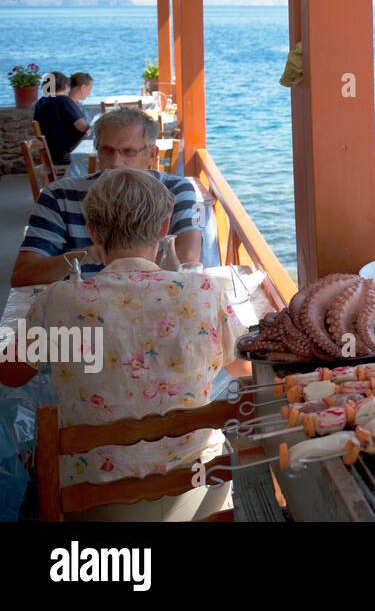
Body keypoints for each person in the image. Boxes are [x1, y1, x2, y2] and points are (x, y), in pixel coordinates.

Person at [27, 168, 248, 520]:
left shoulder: (57, 303)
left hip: (94, 499)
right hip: (196, 488)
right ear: (164, 229)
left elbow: (13, 374)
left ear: (92, 232)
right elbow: (242, 367)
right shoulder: (203, 293)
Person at [11, 108, 203, 287]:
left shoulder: (176, 190)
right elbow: (23, 275)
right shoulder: (59, 196)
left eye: (128, 152)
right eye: (106, 150)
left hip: (155, 303)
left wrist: (120, 258)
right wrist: (83, 256)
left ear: (152, 154)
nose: (115, 162)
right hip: (84, 313)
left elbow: (188, 258)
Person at [33, 72, 90, 164]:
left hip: (51, 153)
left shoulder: (40, 103)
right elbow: (83, 127)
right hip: (67, 153)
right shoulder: (63, 101)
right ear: (65, 86)